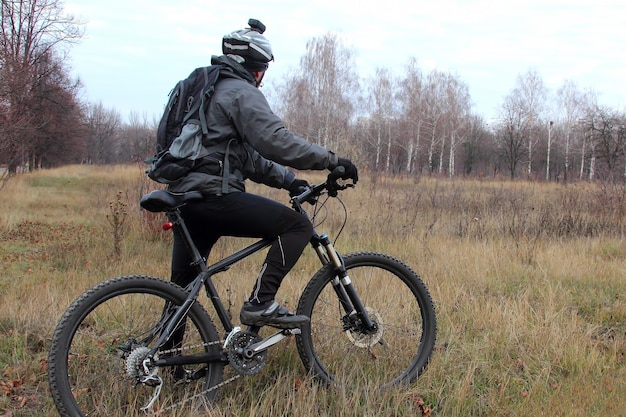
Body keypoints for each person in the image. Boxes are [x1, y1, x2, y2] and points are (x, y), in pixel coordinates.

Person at [167, 19, 358, 329]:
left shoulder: (206, 91)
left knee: (180, 291)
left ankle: (168, 364)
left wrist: (290, 181)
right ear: (255, 68)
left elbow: (245, 157)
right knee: (298, 225)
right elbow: (276, 141)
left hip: (184, 198)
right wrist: (330, 159)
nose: (261, 79)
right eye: (262, 71)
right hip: (213, 197)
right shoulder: (239, 92)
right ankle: (260, 303)